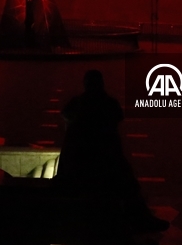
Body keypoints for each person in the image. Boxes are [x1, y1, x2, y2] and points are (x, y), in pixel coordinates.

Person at [55, 70, 169, 233]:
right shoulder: (108, 104)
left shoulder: (77, 105)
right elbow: (117, 119)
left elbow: (66, 115)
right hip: (105, 164)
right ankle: (142, 221)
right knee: (128, 183)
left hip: (77, 166)